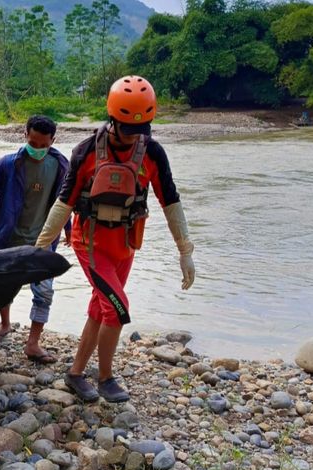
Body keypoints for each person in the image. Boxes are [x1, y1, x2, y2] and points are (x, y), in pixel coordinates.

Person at [35, 75, 196, 403]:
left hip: (125, 244)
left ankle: (75, 374)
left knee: (100, 306)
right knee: (118, 308)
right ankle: (106, 377)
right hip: (90, 243)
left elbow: (171, 201)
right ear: (113, 119)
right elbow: (64, 202)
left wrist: (185, 251)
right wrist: (40, 250)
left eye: (142, 130)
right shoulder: (86, 151)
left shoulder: (152, 152)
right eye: (128, 129)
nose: (135, 137)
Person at [0, 115, 70, 363]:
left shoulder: (61, 165)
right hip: (9, 237)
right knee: (5, 286)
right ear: (25, 136)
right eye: (33, 143)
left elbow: (65, 201)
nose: (37, 149)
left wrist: (69, 229)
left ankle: (33, 343)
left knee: (44, 292)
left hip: (43, 241)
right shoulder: (8, 164)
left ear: (52, 141)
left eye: (43, 145)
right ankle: (5, 324)